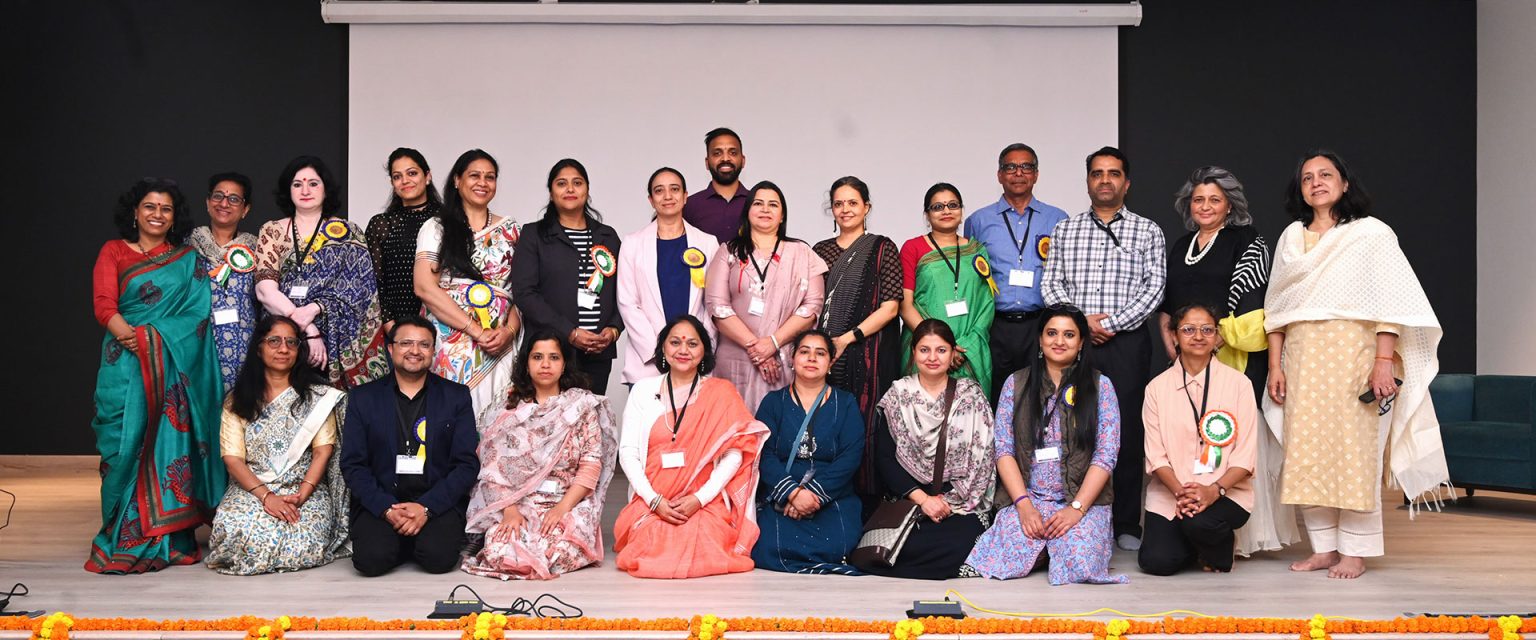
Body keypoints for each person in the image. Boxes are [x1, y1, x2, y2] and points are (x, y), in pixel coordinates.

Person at [1264, 150, 1445, 579]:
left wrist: (1383, 361)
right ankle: (1324, 548)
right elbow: (1277, 310)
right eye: (1307, 177)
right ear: (1300, 190)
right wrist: (1275, 366)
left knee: (1354, 454)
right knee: (1307, 454)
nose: (1316, 182)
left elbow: (1391, 304)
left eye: (1325, 175)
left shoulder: (1371, 234)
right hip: (1302, 359)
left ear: (1345, 183)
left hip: (1355, 358)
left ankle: (1355, 552)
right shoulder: (1291, 238)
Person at [87, 178, 225, 573]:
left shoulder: (187, 261)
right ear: (135, 212)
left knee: (169, 448)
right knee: (120, 448)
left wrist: (152, 339)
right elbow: (104, 305)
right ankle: (120, 532)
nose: (157, 214)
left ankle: (170, 537)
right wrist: (134, 340)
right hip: (123, 363)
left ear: (174, 217)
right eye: (150, 206)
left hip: (169, 369)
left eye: (166, 208)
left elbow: (197, 315)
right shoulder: (114, 251)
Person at [1158, 166, 1296, 557]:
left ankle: (1231, 532)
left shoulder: (1247, 241)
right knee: (1186, 434)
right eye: (1198, 199)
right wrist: (1171, 338)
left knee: (1225, 436)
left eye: (1214, 200)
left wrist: (1212, 340)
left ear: (1230, 205)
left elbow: (1256, 306)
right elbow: (1168, 304)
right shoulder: (1181, 245)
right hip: (1185, 357)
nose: (1205, 206)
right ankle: (1191, 517)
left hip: (1231, 359)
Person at [1041, 146, 1166, 550]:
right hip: (1074, 346)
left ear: (1126, 183)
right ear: (1088, 181)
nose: (1105, 180)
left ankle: (1126, 522)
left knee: (1124, 429)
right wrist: (1081, 325)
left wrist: (1109, 324)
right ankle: (1074, 512)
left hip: (1126, 344)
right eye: (1097, 173)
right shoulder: (1066, 229)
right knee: (1072, 427)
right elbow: (1050, 284)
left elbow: (1154, 289)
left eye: (1114, 173)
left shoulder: (1148, 231)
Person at [964, 305, 1126, 584]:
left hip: (1081, 499)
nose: (1059, 341)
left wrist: (1076, 509)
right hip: (1030, 496)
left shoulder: (1101, 386)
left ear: (1081, 342)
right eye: (1051, 333)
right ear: (1040, 339)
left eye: (1069, 335)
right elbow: (1003, 450)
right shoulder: (1015, 384)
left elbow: (1106, 455)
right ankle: (1047, 549)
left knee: (1081, 561)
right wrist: (1024, 505)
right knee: (1008, 555)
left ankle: (1054, 549)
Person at [614, 315, 769, 578]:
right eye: (675, 342)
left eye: (692, 344)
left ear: (704, 351)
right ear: (663, 348)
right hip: (653, 498)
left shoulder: (721, 392)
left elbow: (734, 455)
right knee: (651, 542)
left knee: (705, 539)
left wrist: (699, 499)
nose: (683, 350)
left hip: (704, 500)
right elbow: (628, 452)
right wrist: (654, 501)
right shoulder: (642, 390)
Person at [462, 332, 617, 580]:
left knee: (560, 550)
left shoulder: (581, 407)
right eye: (537, 357)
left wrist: (562, 509)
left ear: (564, 364)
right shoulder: (509, 411)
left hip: (568, 500)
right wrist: (510, 511)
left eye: (554, 357)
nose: (545, 364)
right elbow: (492, 471)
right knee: (500, 550)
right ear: (526, 364)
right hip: (518, 501)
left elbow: (591, 465)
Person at [205, 316, 350, 575]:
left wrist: (302, 494)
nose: (283, 349)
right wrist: (267, 497)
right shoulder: (237, 400)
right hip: (252, 488)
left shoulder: (318, 396)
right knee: (236, 533)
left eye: (291, 342)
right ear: (259, 348)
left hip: (303, 488)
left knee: (302, 541)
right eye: (274, 341)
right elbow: (232, 458)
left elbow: (323, 451)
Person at [340, 317, 480, 576]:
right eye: (405, 343)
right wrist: (385, 508)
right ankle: (401, 539)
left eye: (424, 345)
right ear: (390, 348)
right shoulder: (363, 398)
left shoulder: (456, 396)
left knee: (438, 559)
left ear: (433, 351)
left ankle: (413, 539)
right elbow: (353, 464)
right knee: (371, 561)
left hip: (435, 501)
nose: (415, 351)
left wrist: (426, 507)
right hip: (383, 501)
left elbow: (466, 464)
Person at [864, 319, 995, 580]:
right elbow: (885, 459)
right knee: (903, 547)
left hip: (959, 502)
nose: (932, 358)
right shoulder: (898, 395)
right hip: (911, 499)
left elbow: (985, 459)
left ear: (953, 353)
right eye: (924, 350)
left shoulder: (971, 396)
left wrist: (946, 502)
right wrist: (924, 501)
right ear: (913, 352)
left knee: (961, 543)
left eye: (941, 350)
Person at [1138, 303, 1257, 576]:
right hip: (1172, 492)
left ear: (1217, 336)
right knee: (1156, 562)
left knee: (1199, 524)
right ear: (1174, 336)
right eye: (1189, 330)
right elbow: (1155, 456)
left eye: (1207, 330)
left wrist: (1213, 490)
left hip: (1225, 491)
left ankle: (1219, 547)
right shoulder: (1156, 388)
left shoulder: (1239, 384)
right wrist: (1181, 492)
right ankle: (1194, 544)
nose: (1199, 336)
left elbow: (1245, 456)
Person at [253, 155, 389, 389]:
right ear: (288, 190)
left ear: (326, 189)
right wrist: (307, 327)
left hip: (339, 338)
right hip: (283, 337)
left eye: (313, 183)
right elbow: (265, 291)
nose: (305, 190)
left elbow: (361, 291)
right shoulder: (273, 230)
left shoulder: (348, 232)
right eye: (297, 184)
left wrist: (315, 308)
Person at [414, 149, 521, 422]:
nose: (482, 183)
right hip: (449, 342)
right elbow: (424, 287)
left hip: (498, 345)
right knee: (450, 421)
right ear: (457, 180)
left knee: (498, 422)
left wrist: (509, 332)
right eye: (474, 176)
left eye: (490, 177)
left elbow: (522, 292)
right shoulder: (436, 227)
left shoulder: (512, 230)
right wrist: (476, 331)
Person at [812, 176, 901, 506]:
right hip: (829, 356)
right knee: (828, 424)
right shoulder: (819, 251)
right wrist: (827, 346)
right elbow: (813, 303)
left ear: (867, 207)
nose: (845, 209)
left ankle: (870, 508)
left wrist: (847, 338)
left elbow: (891, 307)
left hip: (870, 354)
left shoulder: (882, 247)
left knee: (868, 426)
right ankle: (827, 498)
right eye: (838, 203)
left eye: (852, 202)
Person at [705, 181, 828, 413]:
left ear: (782, 216)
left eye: (773, 205)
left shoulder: (803, 253)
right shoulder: (728, 251)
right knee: (732, 424)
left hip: (783, 358)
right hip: (736, 359)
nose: (765, 209)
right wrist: (758, 350)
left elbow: (812, 306)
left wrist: (773, 343)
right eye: (758, 203)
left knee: (781, 424)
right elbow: (717, 306)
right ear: (747, 211)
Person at [751, 330, 865, 574]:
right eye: (804, 352)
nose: (812, 358)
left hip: (831, 494)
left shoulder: (845, 402)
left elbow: (850, 456)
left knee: (838, 546)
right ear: (792, 360)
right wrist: (792, 493)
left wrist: (813, 496)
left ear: (830, 363)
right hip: (782, 493)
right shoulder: (773, 402)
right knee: (768, 547)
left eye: (820, 353)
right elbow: (763, 453)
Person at [963, 144, 1070, 401]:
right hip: (995, 325)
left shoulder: (1058, 219)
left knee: (1041, 396)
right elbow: (970, 277)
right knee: (996, 396)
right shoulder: (978, 221)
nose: (1018, 173)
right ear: (1000, 175)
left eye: (1026, 167)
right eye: (1010, 167)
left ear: (1036, 174)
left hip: (1041, 324)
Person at [509, 159, 623, 395]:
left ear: (587, 190)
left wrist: (613, 329)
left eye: (577, 183)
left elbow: (626, 291)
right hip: (550, 351)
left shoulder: (608, 236)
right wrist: (570, 332)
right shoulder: (533, 235)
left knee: (590, 416)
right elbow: (524, 293)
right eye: (562, 183)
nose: (570, 189)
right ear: (551, 193)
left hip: (597, 353)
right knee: (548, 417)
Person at [617, 167, 721, 386]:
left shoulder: (707, 242)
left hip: (695, 359)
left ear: (685, 196)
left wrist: (698, 346)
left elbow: (713, 303)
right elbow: (627, 302)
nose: (667, 196)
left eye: (674, 189)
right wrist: (658, 349)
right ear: (651, 200)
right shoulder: (632, 243)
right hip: (648, 361)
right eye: (659, 191)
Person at [899, 183, 996, 394]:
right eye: (938, 207)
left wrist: (965, 346)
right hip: (927, 348)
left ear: (961, 211)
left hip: (969, 348)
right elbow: (905, 305)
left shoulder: (977, 250)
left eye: (953, 205)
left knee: (969, 410)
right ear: (927, 215)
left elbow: (986, 304)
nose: (946, 211)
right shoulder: (912, 248)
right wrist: (939, 346)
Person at [188, 172, 260, 388]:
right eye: (218, 196)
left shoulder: (258, 250)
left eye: (234, 199)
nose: (224, 203)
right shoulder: (186, 247)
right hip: (198, 346)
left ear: (245, 209)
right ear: (208, 202)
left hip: (244, 349)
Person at [366, 147, 443, 327]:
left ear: (428, 176)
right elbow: (374, 282)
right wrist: (390, 325)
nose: (405, 181)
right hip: (396, 325)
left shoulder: (447, 220)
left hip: (443, 323)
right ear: (392, 183)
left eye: (412, 173)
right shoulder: (381, 224)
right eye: (397, 176)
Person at [683, 127, 750, 244]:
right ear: (707, 162)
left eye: (733, 153)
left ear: (743, 160)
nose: (725, 158)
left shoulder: (757, 203)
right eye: (717, 153)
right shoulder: (688, 206)